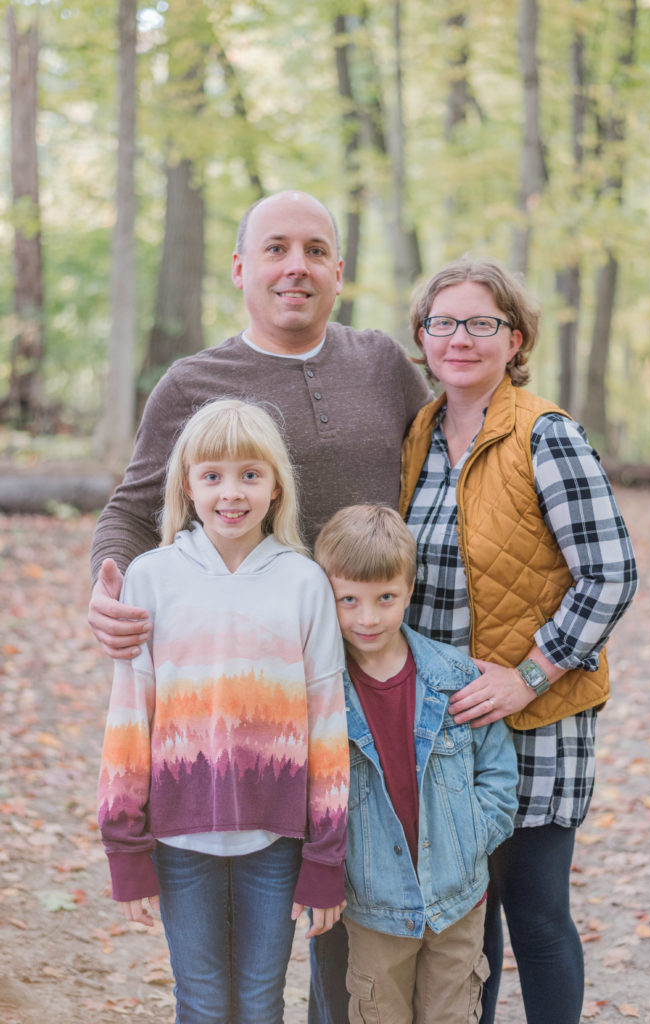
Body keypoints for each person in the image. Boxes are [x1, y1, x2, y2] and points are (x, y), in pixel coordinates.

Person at [88, 189, 431, 1024]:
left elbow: (447, 469)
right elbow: (135, 507)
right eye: (275, 249)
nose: (296, 266)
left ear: (339, 272)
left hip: (378, 668)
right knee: (256, 948)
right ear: (241, 267)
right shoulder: (193, 383)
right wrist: (107, 580)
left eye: (315, 250)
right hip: (248, 694)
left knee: (364, 910)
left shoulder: (383, 363)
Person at [398, 258, 639, 1024]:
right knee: (471, 926)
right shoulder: (420, 434)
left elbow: (611, 574)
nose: (459, 338)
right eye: (443, 323)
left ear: (516, 337)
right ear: (422, 337)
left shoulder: (547, 435)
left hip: (535, 716)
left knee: (534, 916)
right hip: (446, 722)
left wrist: (527, 675)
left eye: (481, 323)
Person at [97, 398, 349, 1024]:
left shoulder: (303, 582)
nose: (230, 493)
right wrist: (125, 846)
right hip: (179, 838)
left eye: (250, 475)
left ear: (275, 486)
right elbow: (129, 717)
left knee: (263, 1003)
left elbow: (327, 722)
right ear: (187, 484)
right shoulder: (152, 577)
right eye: (212, 476)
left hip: (277, 839)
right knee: (203, 1002)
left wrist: (326, 856)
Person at [314, 505, 518, 1024]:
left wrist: (473, 837)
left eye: (386, 598)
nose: (368, 617)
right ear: (327, 598)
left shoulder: (453, 674)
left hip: (458, 903)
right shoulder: (320, 691)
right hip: (375, 910)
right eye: (349, 600)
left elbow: (496, 772)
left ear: (409, 590)